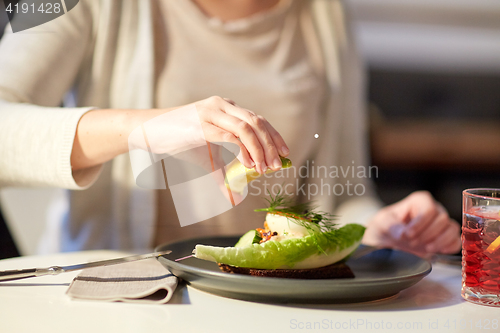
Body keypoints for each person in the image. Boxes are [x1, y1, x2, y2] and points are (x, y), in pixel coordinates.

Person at [0, 0, 460, 255]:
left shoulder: (326, 15)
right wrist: (147, 128)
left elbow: (339, 198)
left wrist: (372, 232)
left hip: (267, 312)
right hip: (114, 307)